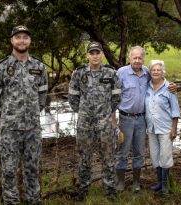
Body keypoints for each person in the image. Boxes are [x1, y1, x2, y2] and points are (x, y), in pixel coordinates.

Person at [0, 25, 48, 205]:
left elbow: (42, 95)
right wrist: (7, 115)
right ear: (12, 40)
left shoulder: (39, 66)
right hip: (10, 131)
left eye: (25, 37)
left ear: (30, 41)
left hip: (32, 129)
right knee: (9, 171)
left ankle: (33, 201)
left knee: (32, 169)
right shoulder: (1, 68)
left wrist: (33, 112)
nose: (22, 40)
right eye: (18, 37)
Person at [115, 46, 176, 193]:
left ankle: (136, 182)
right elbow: (112, 93)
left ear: (143, 59)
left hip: (142, 120)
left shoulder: (147, 73)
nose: (137, 60)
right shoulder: (121, 73)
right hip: (125, 119)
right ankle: (120, 182)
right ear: (130, 58)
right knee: (122, 152)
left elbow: (160, 79)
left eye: (140, 58)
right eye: (134, 57)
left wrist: (173, 86)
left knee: (139, 152)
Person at [68, 42, 121, 201]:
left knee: (108, 156)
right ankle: (83, 190)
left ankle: (110, 190)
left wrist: (105, 111)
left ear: (102, 54)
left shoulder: (111, 73)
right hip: (85, 123)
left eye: (97, 52)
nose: (95, 56)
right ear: (87, 55)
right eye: (92, 53)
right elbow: (72, 97)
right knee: (84, 157)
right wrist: (84, 112)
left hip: (105, 122)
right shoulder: (79, 73)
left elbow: (116, 97)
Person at [145, 60, 180, 194]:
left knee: (165, 157)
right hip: (152, 128)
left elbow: (175, 110)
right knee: (155, 156)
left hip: (166, 128)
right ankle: (159, 182)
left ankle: (165, 186)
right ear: (150, 72)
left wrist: (174, 129)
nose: (156, 72)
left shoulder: (169, 88)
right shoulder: (147, 86)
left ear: (162, 72)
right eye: (153, 70)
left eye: (159, 70)